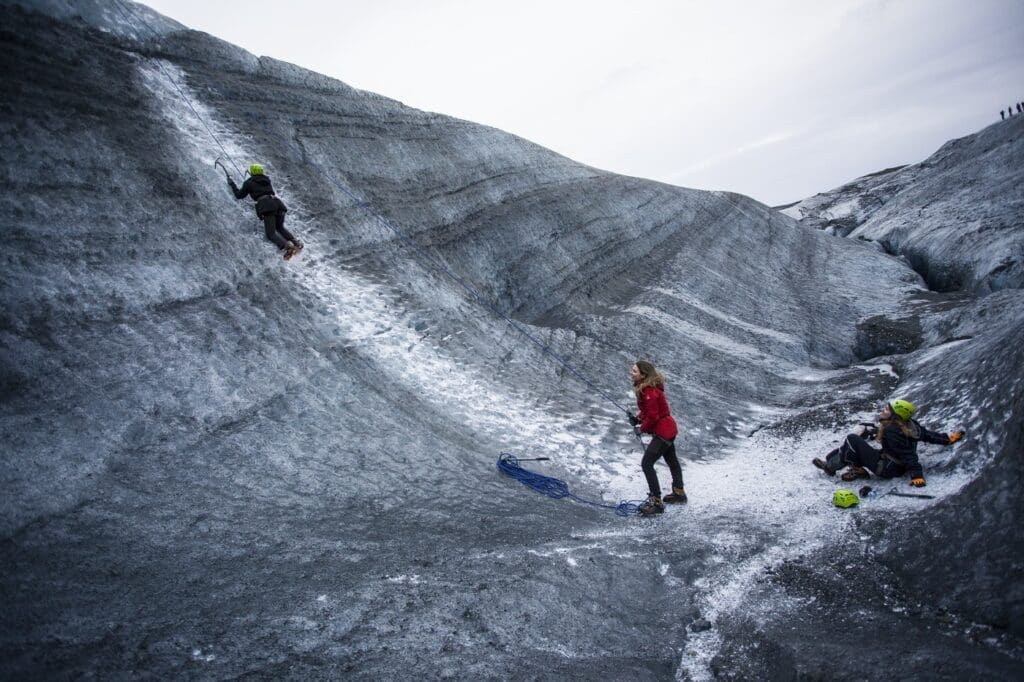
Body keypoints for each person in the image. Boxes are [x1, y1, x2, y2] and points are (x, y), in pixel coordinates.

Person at [813, 399, 964, 487]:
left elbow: (908, 454)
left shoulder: (892, 430)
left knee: (852, 440)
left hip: (887, 468)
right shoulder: (909, 425)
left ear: (895, 415)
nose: (883, 410)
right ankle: (851, 467)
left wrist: (916, 475)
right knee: (855, 443)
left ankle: (831, 467)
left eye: (887, 410)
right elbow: (927, 435)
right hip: (893, 463)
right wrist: (947, 439)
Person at [627, 360, 686, 515]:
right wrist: (638, 419)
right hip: (669, 429)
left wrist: (641, 428)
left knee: (647, 463)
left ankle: (656, 502)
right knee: (672, 461)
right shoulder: (648, 389)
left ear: (643, 375)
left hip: (663, 432)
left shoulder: (649, 392)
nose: (631, 373)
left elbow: (653, 417)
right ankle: (679, 493)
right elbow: (649, 412)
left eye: (634, 371)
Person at [229, 163, 303, 260]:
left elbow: (239, 195)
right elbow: (258, 185)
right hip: (278, 204)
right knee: (279, 227)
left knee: (270, 233)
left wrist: (232, 184)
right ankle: (296, 243)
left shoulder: (249, 183)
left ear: (252, 172)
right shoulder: (266, 180)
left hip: (267, 206)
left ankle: (288, 247)